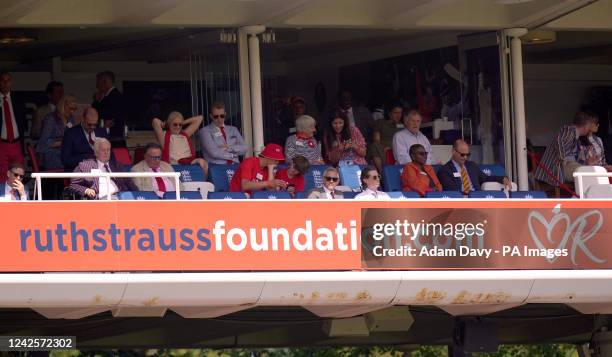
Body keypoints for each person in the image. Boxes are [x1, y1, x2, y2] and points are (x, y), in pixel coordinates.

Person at [534, 111, 598, 186]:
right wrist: (563, 158)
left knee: (590, 172)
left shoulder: (576, 137)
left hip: (566, 167)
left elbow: (572, 159)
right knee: (588, 174)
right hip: (557, 170)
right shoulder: (570, 130)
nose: (589, 128)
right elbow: (559, 142)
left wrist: (587, 163)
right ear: (584, 126)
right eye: (589, 125)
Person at [69, 138, 137, 200]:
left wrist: (139, 195)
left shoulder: (117, 165)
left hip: (121, 198)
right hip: (101, 201)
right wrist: (86, 190)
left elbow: (130, 183)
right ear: (96, 152)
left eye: (108, 150)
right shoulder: (85, 166)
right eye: (103, 150)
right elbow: (73, 185)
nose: (106, 153)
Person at [438, 139, 510, 194]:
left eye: (468, 154)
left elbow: (485, 178)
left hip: (477, 198)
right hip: (461, 201)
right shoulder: (445, 170)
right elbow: (451, 190)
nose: (465, 157)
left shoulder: (471, 165)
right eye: (462, 154)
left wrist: (502, 178)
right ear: (453, 151)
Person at [152, 111, 208, 178]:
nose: (178, 127)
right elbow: (155, 121)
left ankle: (203, 185)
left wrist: (183, 122)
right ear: (169, 124)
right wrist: (166, 124)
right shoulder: (163, 136)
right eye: (175, 124)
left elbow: (200, 118)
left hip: (188, 162)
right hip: (174, 165)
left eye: (180, 124)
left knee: (203, 162)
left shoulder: (185, 134)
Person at [36, 94, 78, 170]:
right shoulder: (50, 119)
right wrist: (62, 142)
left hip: (66, 153)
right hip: (53, 155)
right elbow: (42, 143)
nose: (72, 112)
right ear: (63, 106)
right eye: (70, 109)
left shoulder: (71, 119)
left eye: (74, 109)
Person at [61, 107, 109, 172]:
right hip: (81, 172)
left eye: (95, 125)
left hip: (102, 171)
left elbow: (110, 155)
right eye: (89, 124)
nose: (92, 127)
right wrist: (87, 157)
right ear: (83, 119)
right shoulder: (70, 133)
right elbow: (66, 160)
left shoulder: (102, 132)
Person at [0, 71, 26, 183]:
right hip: (1, 143)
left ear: (11, 82)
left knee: (18, 173)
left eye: (8, 81)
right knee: (2, 174)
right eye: (3, 81)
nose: (5, 83)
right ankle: (2, 199)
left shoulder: (18, 99)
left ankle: (17, 198)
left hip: (16, 143)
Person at [367, 102, 403, 174]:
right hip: (382, 147)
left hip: (397, 148)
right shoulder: (380, 122)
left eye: (400, 113)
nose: (398, 115)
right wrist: (386, 147)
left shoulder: (402, 125)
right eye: (395, 112)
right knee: (374, 146)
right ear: (389, 113)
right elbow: (376, 140)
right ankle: (383, 173)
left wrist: (392, 147)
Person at [92, 71, 125, 140]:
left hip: (112, 136)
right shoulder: (111, 96)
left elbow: (97, 114)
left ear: (105, 82)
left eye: (98, 82)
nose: (96, 86)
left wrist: (97, 101)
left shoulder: (114, 97)